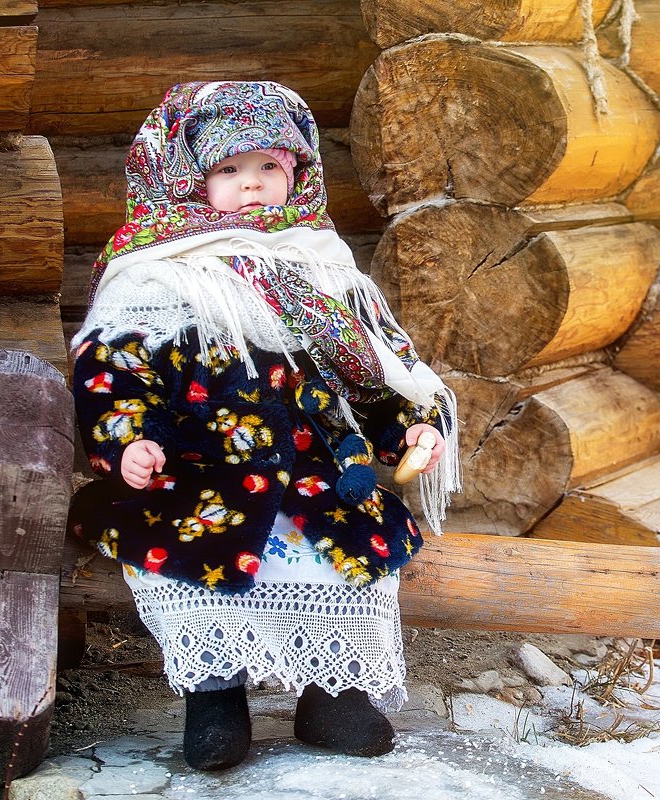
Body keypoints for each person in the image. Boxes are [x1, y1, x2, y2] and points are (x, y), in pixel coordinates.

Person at [68, 81, 459, 771]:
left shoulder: (321, 266)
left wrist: (413, 428)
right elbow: (117, 370)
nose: (252, 186)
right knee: (194, 572)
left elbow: (373, 373)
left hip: (320, 475)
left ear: (297, 174)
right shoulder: (156, 277)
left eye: (268, 168)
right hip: (201, 477)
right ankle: (216, 700)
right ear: (189, 179)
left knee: (349, 568)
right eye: (228, 170)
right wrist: (131, 441)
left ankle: (333, 694)